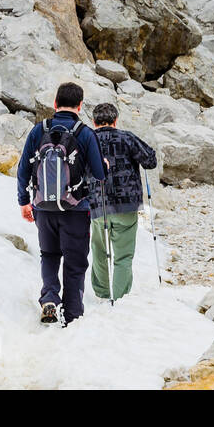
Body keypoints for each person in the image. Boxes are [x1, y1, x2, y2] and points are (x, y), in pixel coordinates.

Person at [17, 82, 105, 326]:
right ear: (80, 105)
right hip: (76, 210)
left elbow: (23, 168)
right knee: (75, 262)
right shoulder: (85, 133)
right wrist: (104, 166)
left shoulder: (38, 130)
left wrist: (24, 202)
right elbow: (99, 174)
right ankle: (73, 315)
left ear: (55, 104)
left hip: (43, 207)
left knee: (49, 254)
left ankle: (49, 298)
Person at [88, 102, 157, 302]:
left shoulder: (87, 139)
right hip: (126, 204)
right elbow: (150, 161)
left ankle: (102, 293)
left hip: (97, 203)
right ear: (116, 120)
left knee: (99, 251)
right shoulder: (126, 137)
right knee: (123, 255)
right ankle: (119, 298)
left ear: (94, 121)